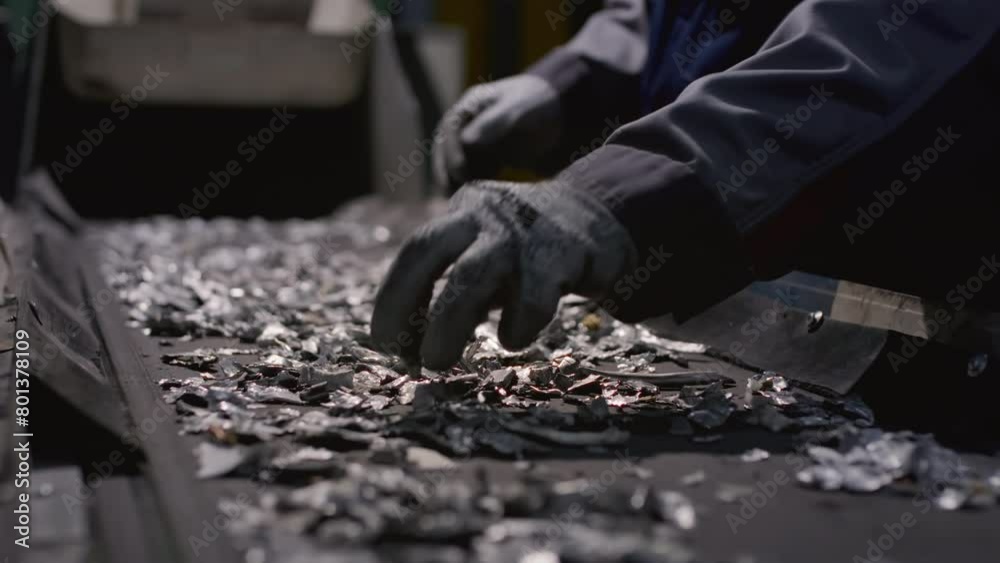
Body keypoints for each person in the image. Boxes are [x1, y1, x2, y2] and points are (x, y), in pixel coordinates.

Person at [372, 0, 1000, 370]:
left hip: (922, 320)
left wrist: (622, 193)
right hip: (729, 300)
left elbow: (877, 43)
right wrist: (575, 78)